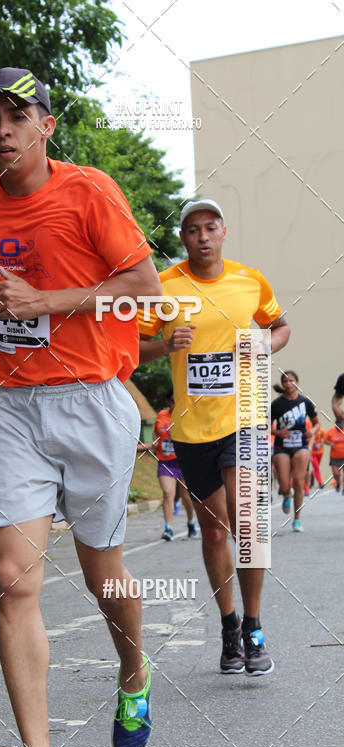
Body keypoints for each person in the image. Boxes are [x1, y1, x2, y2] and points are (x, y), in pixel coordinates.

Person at [0, 68, 162, 747]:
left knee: (105, 575)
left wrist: (49, 301)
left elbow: (145, 286)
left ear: (46, 125)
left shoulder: (89, 191)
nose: (2, 130)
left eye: (17, 116)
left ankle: (133, 675)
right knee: (13, 579)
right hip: (8, 407)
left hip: (92, 402)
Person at [138, 198, 290, 676]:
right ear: (182, 238)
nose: (202, 236)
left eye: (211, 227)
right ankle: (229, 628)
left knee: (248, 522)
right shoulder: (164, 286)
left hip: (242, 419)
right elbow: (129, 349)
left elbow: (281, 326)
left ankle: (255, 626)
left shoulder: (251, 281)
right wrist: (165, 344)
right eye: (192, 229)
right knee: (216, 530)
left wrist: (265, 342)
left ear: (223, 232)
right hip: (190, 428)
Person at [140, 393, 198, 540]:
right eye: (172, 401)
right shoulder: (161, 415)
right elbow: (156, 438)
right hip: (166, 462)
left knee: (187, 497)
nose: (174, 404)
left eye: (177, 401)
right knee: (168, 494)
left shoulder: (187, 414)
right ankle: (168, 528)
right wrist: (145, 447)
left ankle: (191, 522)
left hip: (185, 461)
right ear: (168, 401)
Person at [271, 371, 319, 531]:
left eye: (291, 380)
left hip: (301, 444)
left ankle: (297, 519)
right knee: (285, 486)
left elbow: (317, 423)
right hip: (281, 446)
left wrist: (312, 431)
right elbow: (265, 425)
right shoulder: (276, 404)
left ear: (297, 382)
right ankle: (286, 495)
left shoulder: (305, 402)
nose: (288, 384)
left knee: (299, 482)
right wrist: (278, 432)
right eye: (285, 381)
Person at [323, 420, 344, 491]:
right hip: (334, 457)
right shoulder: (331, 431)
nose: (340, 426)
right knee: (336, 473)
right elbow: (325, 440)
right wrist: (330, 443)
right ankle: (338, 481)